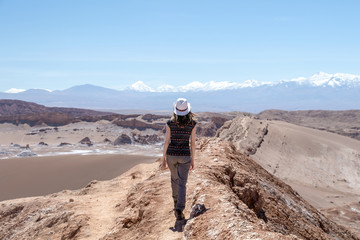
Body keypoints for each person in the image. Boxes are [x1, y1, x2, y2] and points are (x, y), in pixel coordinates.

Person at [161, 98, 197, 220]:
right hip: (185, 156)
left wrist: (163, 159)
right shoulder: (192, 124)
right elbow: (193, 143)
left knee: (174, 179)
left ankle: (175, 202)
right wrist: (193, 160)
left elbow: (166, 142)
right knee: (182, 183)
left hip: (171, 155)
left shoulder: (169, 123)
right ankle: (179, 209)